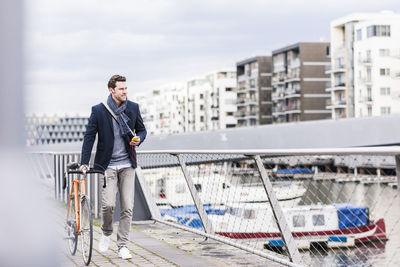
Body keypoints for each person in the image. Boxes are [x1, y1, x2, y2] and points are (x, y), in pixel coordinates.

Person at [80, 74, 147, 259]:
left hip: (128, 164)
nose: (125, 91)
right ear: (112, 90)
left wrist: (139, 139)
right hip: (108, 165)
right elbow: (89, 137)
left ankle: (123, 245)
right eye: (121, 89)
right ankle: (106, 231)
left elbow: (142, 129)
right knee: (108, 205)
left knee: (127, 207)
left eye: (126, 88)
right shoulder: (99, 110)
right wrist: (85, 162)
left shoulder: (133, 107)